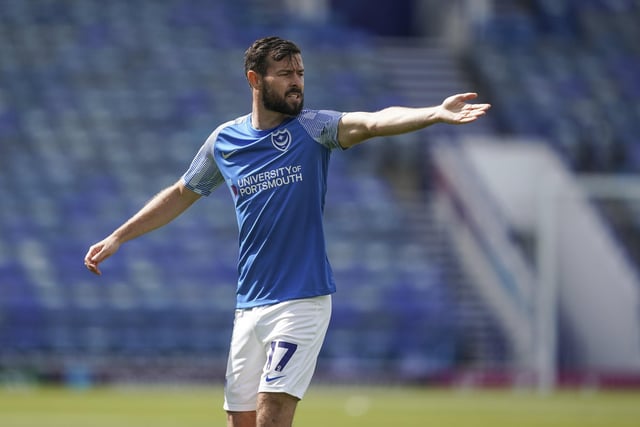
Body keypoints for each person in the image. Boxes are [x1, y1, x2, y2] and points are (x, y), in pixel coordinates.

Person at [84, 36, 490, 427]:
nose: (296, 81)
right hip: (249, 305)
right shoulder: (225, 141)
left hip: (301, 301)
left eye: (300, 72)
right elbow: (180, 193)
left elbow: (372, 122)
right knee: (240, 419)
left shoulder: (314, 128)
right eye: (284, 73)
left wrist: (434, 112)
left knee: (273, 409)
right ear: (254, 80)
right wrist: (119, 235)